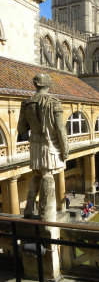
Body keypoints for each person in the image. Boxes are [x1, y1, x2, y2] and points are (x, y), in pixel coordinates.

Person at [17, 73, 69, 222]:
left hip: (34, 143)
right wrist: (65, 149)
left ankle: (29, 208)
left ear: (35, 84)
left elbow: (21, 128)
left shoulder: (26, 103)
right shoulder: (54, 102)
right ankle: (46, 214)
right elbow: (60, 128)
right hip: (50, 143)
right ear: (48, 84)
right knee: (47, 175)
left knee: (37, 174)